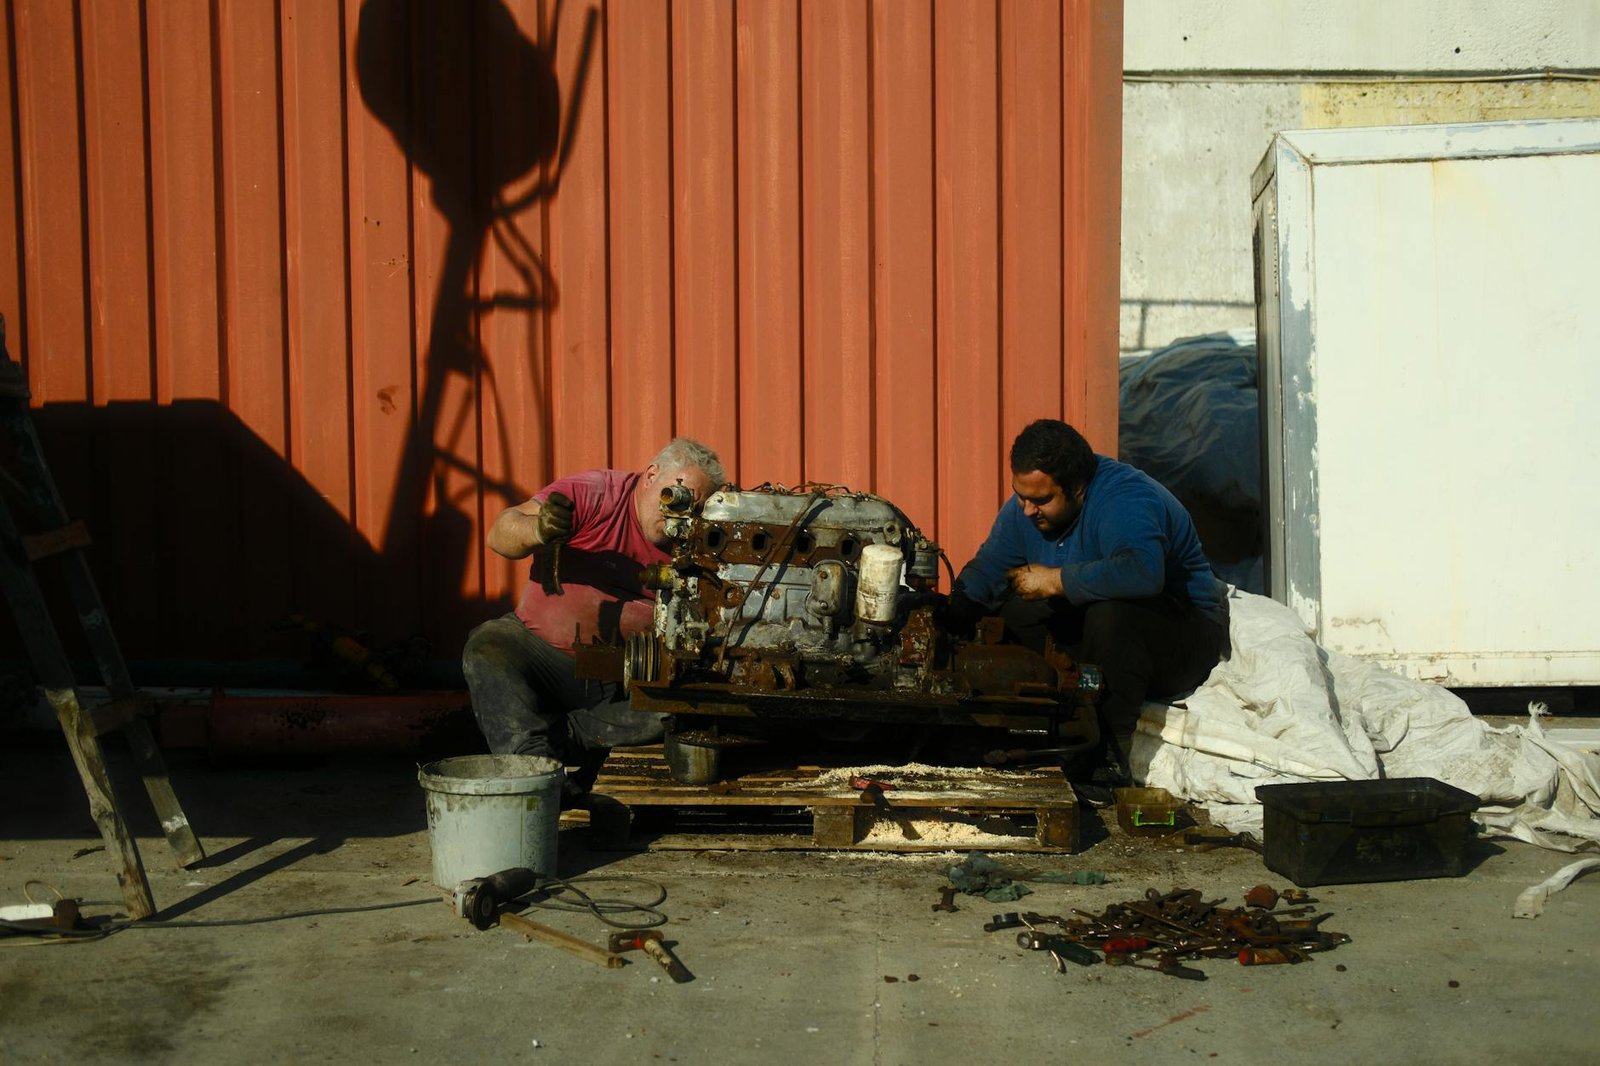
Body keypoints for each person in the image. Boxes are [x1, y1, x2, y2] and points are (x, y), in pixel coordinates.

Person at [948, 419, 1229, 801]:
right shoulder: (1027, 509)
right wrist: (954, 610)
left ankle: (1105, 762)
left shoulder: (1126, 498)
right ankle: (1024, 729)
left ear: (1078, 487)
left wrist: (1055, 580)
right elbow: (990, 570)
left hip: (1181, 634)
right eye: (1020, 496)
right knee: (1008, 614)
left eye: (1040, 500)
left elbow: (1143, 572)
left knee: (1112, 615)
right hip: (1098, 629)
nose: (1027, 510)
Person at [463, 438, 725, 804]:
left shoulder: (702, 537)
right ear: (651, 476)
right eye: (676, 500)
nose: (680, 518)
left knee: (695, 702)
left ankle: (564, 740)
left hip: (630, 679)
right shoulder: (597, 494)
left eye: (694, 509)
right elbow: (500, 533)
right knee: (488, 645)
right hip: (547, 658)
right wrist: (539, 529)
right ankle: (535, 774)